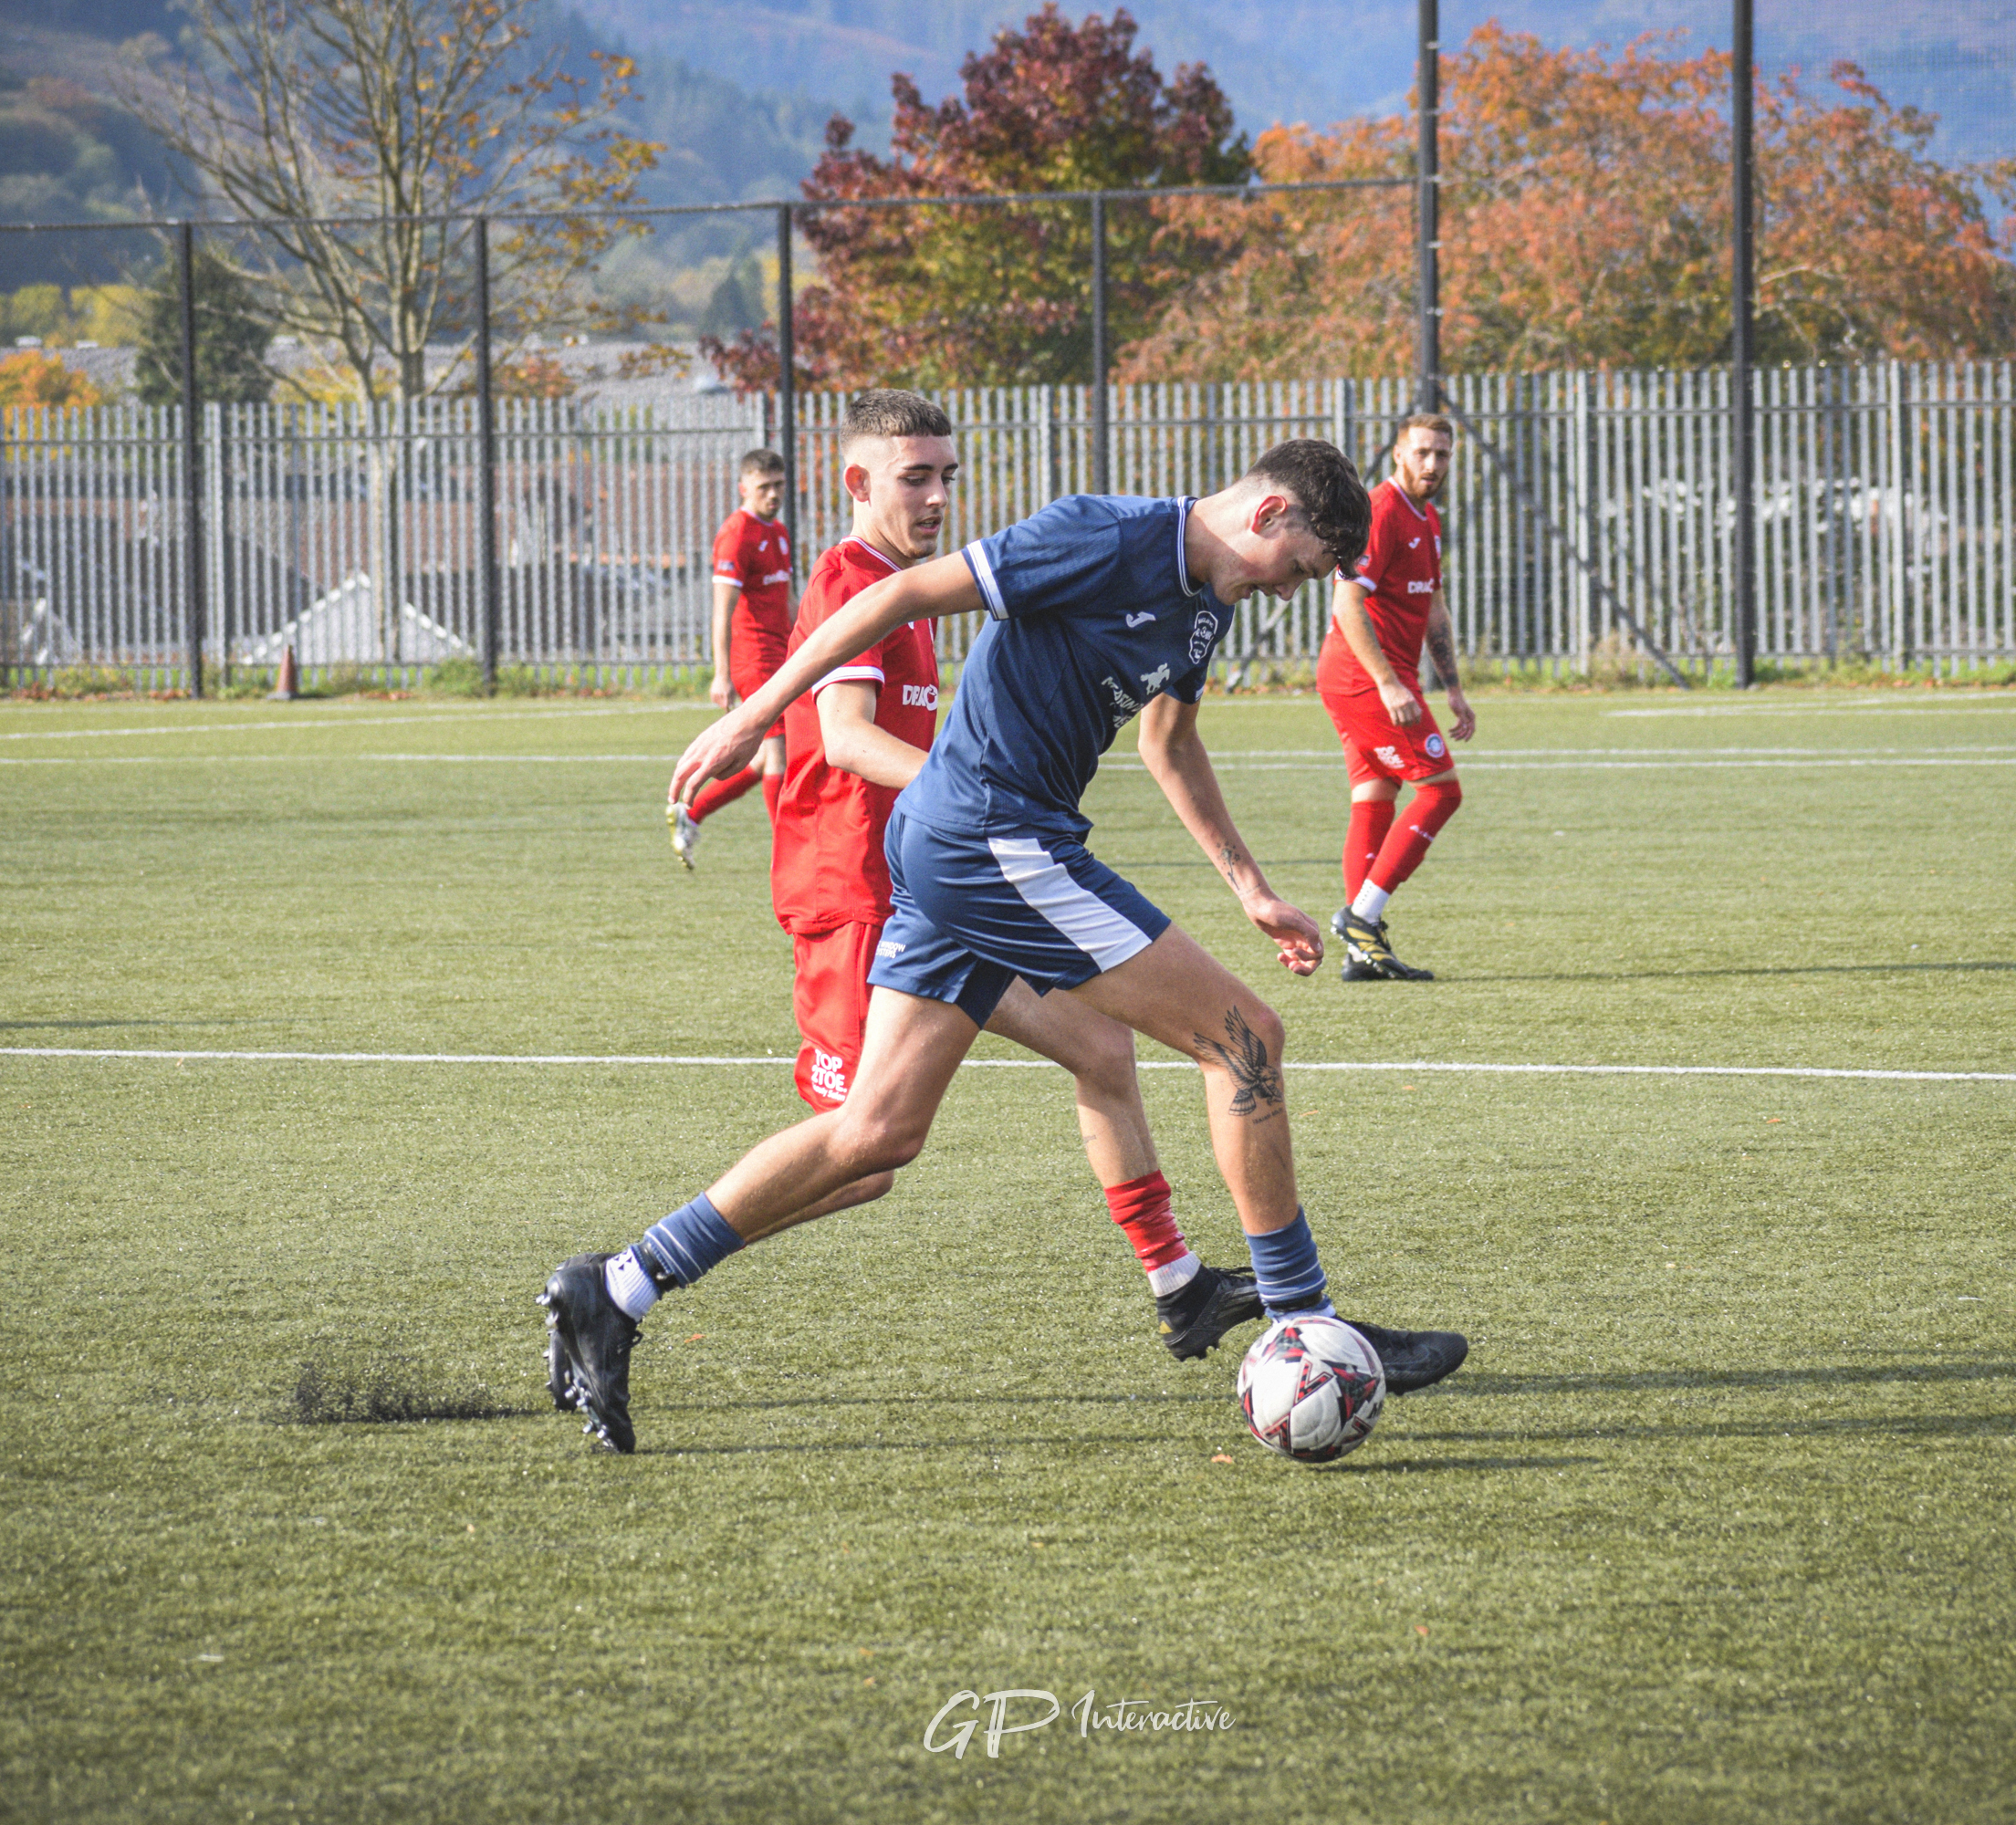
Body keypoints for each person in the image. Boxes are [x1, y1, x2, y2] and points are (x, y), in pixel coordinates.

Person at [539, 439, 1468, 1454]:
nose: (1290, 592)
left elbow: (1171, 744)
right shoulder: (1099, 535)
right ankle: (1307, 1321)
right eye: (1298, 567)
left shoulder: (1206, 605)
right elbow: (895, 600)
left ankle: (617, 1285)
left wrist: (1250, 886)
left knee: (876, 1132)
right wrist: (751, 715)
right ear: (1271, 512)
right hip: (991, 837)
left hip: (974, 843)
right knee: (1243, 1038)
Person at [1316, 412, 1476, 982]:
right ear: (1399, 456)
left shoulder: (1426, 518)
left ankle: (1363, 954)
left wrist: (1452, 687)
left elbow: (1432, 605)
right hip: (1364, 677)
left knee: (1375, 794)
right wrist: (1388, 683)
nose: (1433, 464)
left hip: (1374, 677)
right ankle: (1362, 919)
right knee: (1441, 792)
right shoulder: (1381, 511)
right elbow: (1346, 605)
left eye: (1443, 454)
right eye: (1423, 453)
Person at [668, 448, 792, 866]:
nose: (773, 494)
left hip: (781, 656)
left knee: (759, 761)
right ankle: (789, 854)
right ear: (743, 488)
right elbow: (722, 609)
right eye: (764, 488)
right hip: (754, 658)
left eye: (778, 485)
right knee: (779, 754)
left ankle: (691, 814)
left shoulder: (777, 531)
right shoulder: (737, 533)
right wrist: (721, 674)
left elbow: (787, 600)